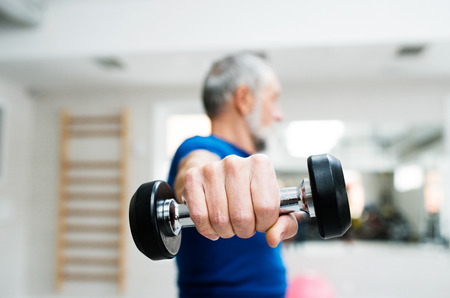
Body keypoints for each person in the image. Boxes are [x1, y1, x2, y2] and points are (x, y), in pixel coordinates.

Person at [167, 53, 298, 298]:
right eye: (274, 99)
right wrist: (202, 181)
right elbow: (197, 169)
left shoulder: (250, 166)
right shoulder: (199, 148)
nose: (279, 114)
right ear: (244, 99)